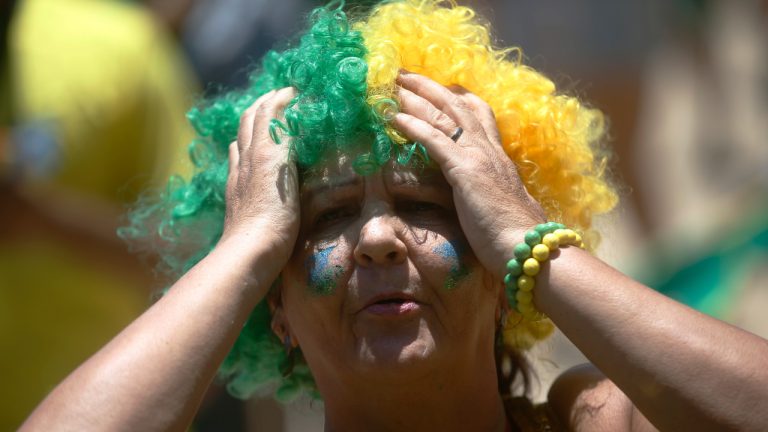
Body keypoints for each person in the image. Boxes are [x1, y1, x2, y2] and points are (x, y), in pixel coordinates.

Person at [20, 1, 768, 431]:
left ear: (502, 274)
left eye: (425, 204)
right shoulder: (253, 270)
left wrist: (531, 244)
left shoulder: (594, 421)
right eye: (329, 217)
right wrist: (241, 254)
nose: (377, 238)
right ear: (270, 306)